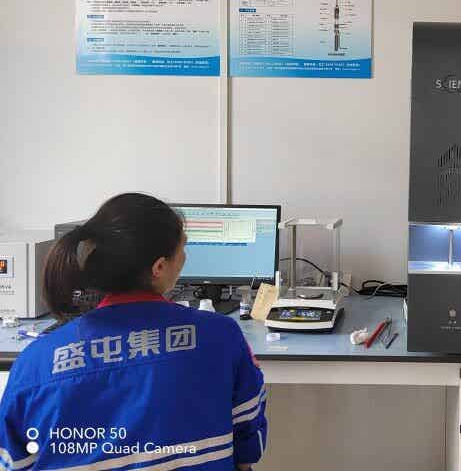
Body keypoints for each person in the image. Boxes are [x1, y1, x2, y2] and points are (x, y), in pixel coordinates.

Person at [0, 193, 267, 470]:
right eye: (183, 247)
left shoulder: (34, 363)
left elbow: (14, 461)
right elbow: (248, 441)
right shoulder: (222, 336)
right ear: (159, 267)